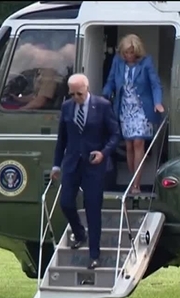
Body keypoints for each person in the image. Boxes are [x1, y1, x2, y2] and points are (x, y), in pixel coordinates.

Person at [51, 73, 120, 269]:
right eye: (72, 94)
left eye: (79, 94)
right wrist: (56, 165)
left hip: (94, 165)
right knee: (65, 203)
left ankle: (94, 255)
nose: (75, 98)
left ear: (87, 89)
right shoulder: (67, 107)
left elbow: (115, 134)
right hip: (72, 163)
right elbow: (61, 139)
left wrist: (104, 153)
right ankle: (80, 233)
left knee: (92, 209)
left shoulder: (103, 106)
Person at [102, 34, 165, 194]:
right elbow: (110, 82)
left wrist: (158, 102)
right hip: (124, 108)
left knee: (138, 143)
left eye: (131, 52)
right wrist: (104, 95)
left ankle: (136, 185)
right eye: (126, 53)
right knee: (129, 145)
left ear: (137, 51)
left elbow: (155, 84)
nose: (129, 56)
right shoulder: (117, 62)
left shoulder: (146, 62)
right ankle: (133, 179)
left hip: (142, 109)